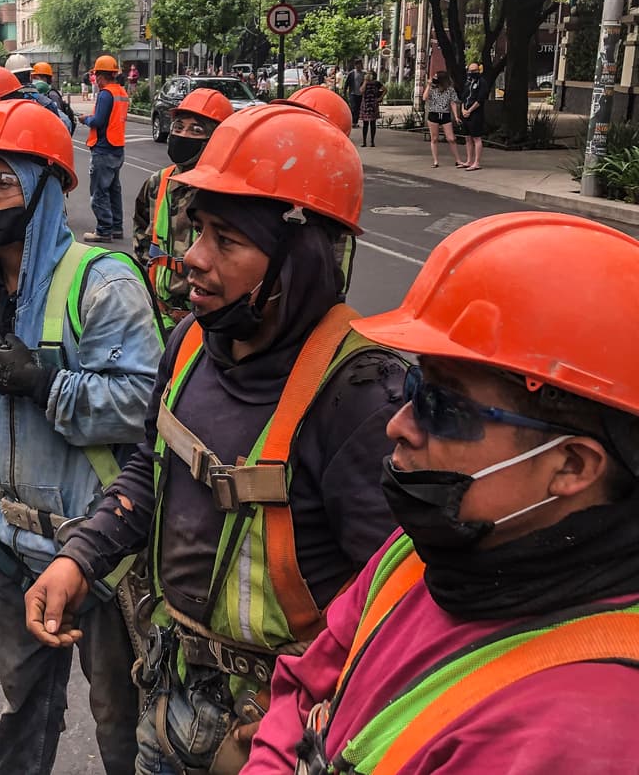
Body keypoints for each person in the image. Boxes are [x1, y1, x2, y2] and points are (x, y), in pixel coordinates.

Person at [25, 103, 405, 775]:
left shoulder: (363, 396)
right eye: (198, 228)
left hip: (279, 730)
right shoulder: (192, 343)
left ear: (299, 260)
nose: (192, 259)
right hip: (172, 698)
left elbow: (392, 604)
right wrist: (80, 555)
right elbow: (152, 466)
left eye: (226, 240)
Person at [244, 211, 639, 774]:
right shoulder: (423, 551)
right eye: (414, 385)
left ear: (572, 465)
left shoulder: (583, 731)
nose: (399, 425)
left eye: (443, 407)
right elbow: (306, 685)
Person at [0, 98, 163, 775]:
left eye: (1, 180)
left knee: (120, 718)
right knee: (25, 706)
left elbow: (145, 406)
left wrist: (47, 384)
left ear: (45, 188)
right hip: (13, 545)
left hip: (100, 555)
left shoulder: (101, 284)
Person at [131, 88, 233, 329]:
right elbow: (141, 234)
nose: (183, 135)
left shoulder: (229, 194)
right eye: (178, 127)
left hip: (210, 322)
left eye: (196, 129)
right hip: (160, 317)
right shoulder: (158, 183)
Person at [81, 55, 128, 243]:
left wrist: (86, 119)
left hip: (103, 148)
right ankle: (116, 227)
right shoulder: (121, 92)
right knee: (114, 190)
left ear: (100, 76)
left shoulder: (105, 94)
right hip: (117, 148)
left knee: (100, 191)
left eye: (95, 76)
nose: (95, 80)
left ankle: (103, 230)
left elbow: (99, 121)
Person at [422, 70, 463, 168]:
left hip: (445, 114)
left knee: (451, 138)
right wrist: (428, 85)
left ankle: (458, 160)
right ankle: (435, 161)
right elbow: (424, 98)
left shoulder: (450, 89)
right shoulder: (432, 88)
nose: (434, 79)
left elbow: (453, 103)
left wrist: (456, 116)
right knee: (434, 138)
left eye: (436, 77)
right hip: (434, 114)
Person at [460, 62, 488, 170]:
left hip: (475, 113)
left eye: (474, 71)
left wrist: (470, 110)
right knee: (467, 138)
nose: (471, 73)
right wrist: (463, 110)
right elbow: (463, 97)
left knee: (476, 137)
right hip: (465, 112)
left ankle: (476, 162)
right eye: (470, 71)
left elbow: (480, 99)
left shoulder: (482, 82)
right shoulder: (468, 82)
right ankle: (469, 160)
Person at [359, 71, 385, 147]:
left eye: (370, 74)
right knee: (365, 124)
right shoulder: (364, 82)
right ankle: (364, 142)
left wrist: (380, 97)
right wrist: (365, 81)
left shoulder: (377, 83)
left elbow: (385, 89)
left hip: (373, 104)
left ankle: (372, 141)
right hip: (366, 104)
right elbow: (361, 91)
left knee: (373, 124)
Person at [343, 61, 364, 129]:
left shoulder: (363, 74)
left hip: (360, 94)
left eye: (359, 65)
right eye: (357, 65)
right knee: (353, 107)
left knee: (358, 108)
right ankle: (352, 122)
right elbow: (346, 83)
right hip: (352, 93)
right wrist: (344, 92)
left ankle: (355, 122)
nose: (358, 67)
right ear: (355, 66)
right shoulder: (351, 73)